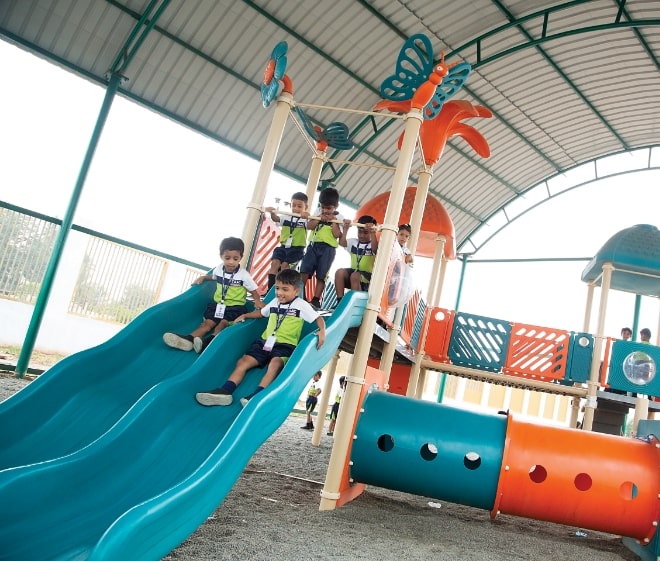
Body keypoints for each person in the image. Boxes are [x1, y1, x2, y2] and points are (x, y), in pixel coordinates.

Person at [195, 268, 326, 407]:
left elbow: (318, 318)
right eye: (277, 288)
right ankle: (225, 391)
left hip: (285, 346)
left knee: (275, 364)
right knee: (243, 362)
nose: (280, 293)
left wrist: (322, 331)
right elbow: (262, 313)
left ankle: (256, 396)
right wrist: (246, 315)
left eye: (285, 289)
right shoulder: (275, 302)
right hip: (264, 342)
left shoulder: (301, 305)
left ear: (296, 291)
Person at [163, 237, 264, 353]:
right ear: (221, 256)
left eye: (235, 258)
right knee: (207, 323)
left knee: (223, 323)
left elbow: (253, 291)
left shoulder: (243, 275)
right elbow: (214, 277)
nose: (231, 262)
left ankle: (207, 342)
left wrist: (257, 301)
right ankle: (189, 339)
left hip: (235, 308)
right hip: (218, 305)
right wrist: (204, 277)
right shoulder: (219, 269)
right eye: (227, 258)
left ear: (240, 257)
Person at [300, 187, 343, 308]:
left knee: (322, 275)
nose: (325, 210)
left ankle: (316, 299)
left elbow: (336, 235)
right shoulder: (317, 212)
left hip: (328, 249)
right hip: (313, 246)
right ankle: (300, 294)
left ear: (336, 206)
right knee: (304, 269)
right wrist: (318, 218)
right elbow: (309, 226)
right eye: (323, 207)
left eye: (328, 208)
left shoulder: (339, 217)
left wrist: (334, 221)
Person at [264, 192, 309, 290]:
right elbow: (276, 219)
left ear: (306, 207)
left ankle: (282, 289)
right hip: (283, 247)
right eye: (293, 205)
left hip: (296, 249)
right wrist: (272, 213)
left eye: (299, 206)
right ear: (290, 205)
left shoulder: (306, 220)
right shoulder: (286, 216)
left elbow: (311, 225)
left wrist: (308, 216)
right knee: (274, 263)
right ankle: (270, 290)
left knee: (285, 266)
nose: (296, 208)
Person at [334, 215, 378, 305]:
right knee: (339, 272)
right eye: (359, 232)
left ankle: (353, 305)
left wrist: (373, 232)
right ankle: (340, 302)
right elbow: (342, 243)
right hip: (354, 275)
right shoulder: (353, 242)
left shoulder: (373, 244)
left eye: (365, 233)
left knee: (355, 275)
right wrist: (345, 229)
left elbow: (375, 250)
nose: (361, 235)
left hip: (366, 280)